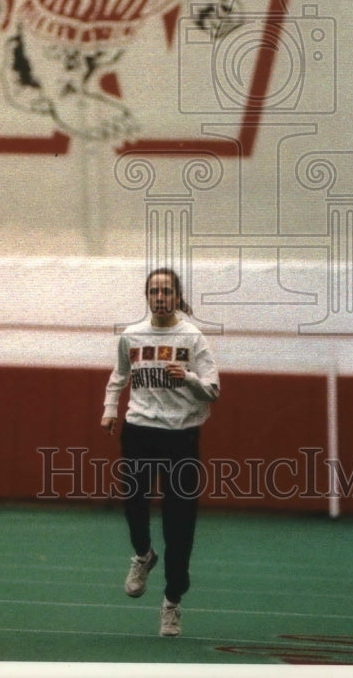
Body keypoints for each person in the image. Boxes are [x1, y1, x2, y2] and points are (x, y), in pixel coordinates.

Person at [101, 267, 220, 637]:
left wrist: (188, 378)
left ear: (176, 295)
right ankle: (143, 554)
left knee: (179, 524)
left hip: (180, 436)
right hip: (139, 429)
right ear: (147, 296)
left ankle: (172, 602)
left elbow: (214, 389)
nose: (160, 297)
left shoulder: (192, 337)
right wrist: (109, 409)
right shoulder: (132, 335)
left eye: (166, 291)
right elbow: (119, 375)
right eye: (154, 291)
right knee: (133, 501)